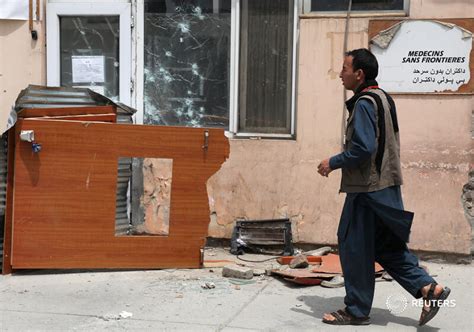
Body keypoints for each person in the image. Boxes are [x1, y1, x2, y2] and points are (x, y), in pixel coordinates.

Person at [317, 48, 450, 326]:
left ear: (359, 73)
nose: (340, 74)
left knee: (352, 244)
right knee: (386, 245)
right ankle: (429, 289)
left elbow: (364, 148)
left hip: (367, 190)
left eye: (345, 68)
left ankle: (356, 310)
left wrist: (333, 162)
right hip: (387, 186)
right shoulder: (384, 98)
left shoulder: (365, 103)